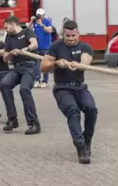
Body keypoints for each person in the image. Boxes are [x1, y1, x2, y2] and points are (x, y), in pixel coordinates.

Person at [40, 20, 98, 164]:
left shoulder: (85, 47)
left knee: (91, 109)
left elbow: (86, 62)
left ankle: (87, 139)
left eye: (73, 35)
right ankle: (80, 147)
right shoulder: (56, 47)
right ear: (63, 35)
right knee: (72, 110)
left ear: (78, 33)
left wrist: (78, 65)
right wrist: (56, 63)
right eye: (68, 36)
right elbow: (43, 66)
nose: (71, 39)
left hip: (79, 87)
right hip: (62, 88)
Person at [0, 15, 41, 134]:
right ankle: (12, 119)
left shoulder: (27, 32)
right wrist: (10, 53)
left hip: (29, 66)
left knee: (24, 89)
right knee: (4, 84)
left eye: (6, 27)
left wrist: (25, 49)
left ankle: (34, 123)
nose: (5, 30)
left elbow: (35, 44)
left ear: (13, 25)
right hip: (17, 68)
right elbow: (4, 58)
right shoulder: (9, 37)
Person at [28, 8, 53, 88]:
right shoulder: (35, 21)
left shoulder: (47, 21)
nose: (39, 17)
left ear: (44, 15)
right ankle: (37, 80)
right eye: (38, 15)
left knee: (45, 64)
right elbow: (28, 29)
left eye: (41, 16)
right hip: (37, 47)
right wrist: (32, 21)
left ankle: (45, 81)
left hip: (46, 47)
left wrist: (42, 24)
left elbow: (49, 30)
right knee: (37, 64)